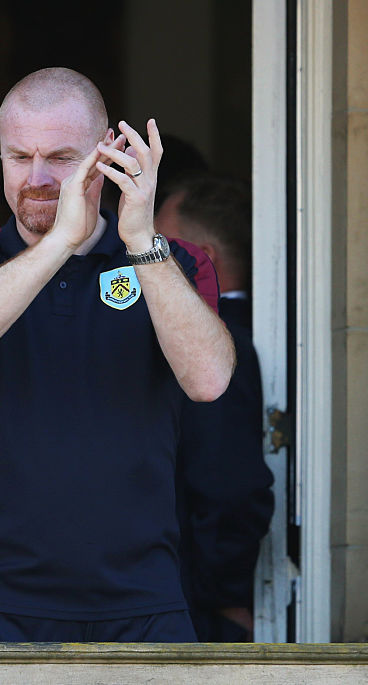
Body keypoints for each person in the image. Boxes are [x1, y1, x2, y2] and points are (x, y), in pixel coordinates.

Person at [0, 67, 236, 643]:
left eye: (60, 157)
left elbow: (208, 380)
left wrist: (139, 241)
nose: (36, 178)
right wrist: (59, 241)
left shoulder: (173, 261)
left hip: (142, 599)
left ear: (106, 155)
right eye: (18, 157)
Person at [155, 175, 274, 642]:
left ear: (203, 258)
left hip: (198, 612)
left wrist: (222, 596)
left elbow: (230, 485)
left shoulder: (217, 344)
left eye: (160, 246)